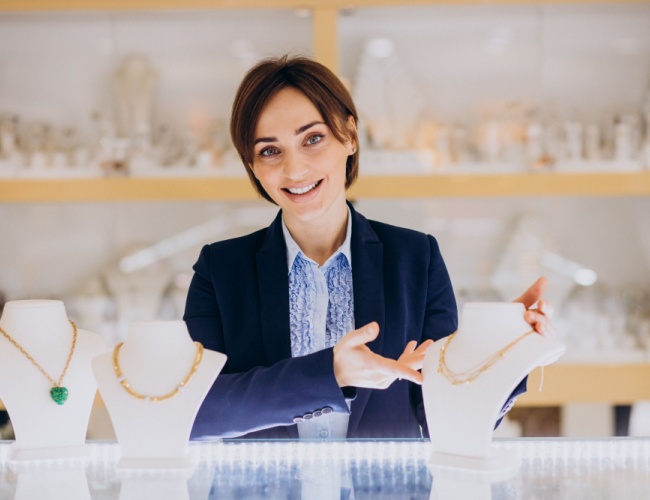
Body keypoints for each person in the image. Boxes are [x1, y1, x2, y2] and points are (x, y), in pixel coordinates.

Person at [183, 55, 554, 440]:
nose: (294, 171)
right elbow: (194, 413)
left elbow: (446, 420)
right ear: (252, 165)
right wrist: (331, 374)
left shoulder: (416, 259)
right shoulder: (221, 269)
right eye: (270, 151)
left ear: (350, 136)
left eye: (312, 139)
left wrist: (501, 349)